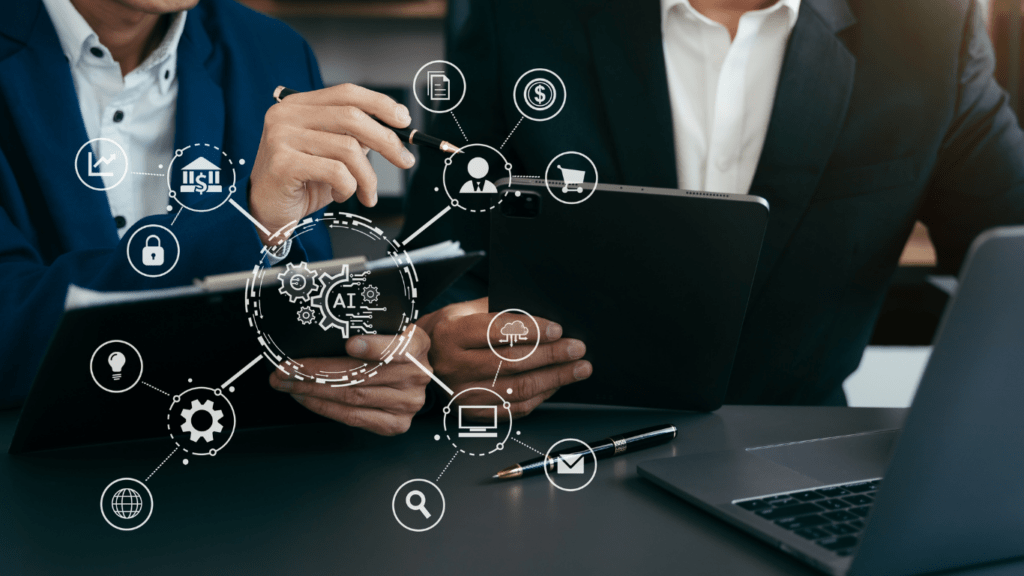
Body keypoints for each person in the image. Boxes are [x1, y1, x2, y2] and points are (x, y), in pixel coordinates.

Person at [404, 0, 1024, 410]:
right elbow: (435, 265)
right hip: (560, 450)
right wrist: (441, 336)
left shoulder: (929, 29)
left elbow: (1011, 239)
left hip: (798, 458)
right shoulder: (516, 15)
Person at [1, 0, 432, 436]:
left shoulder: (274, 51)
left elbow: (298, 318)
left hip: (244, 473)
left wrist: (370, 354)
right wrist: (250, 224)